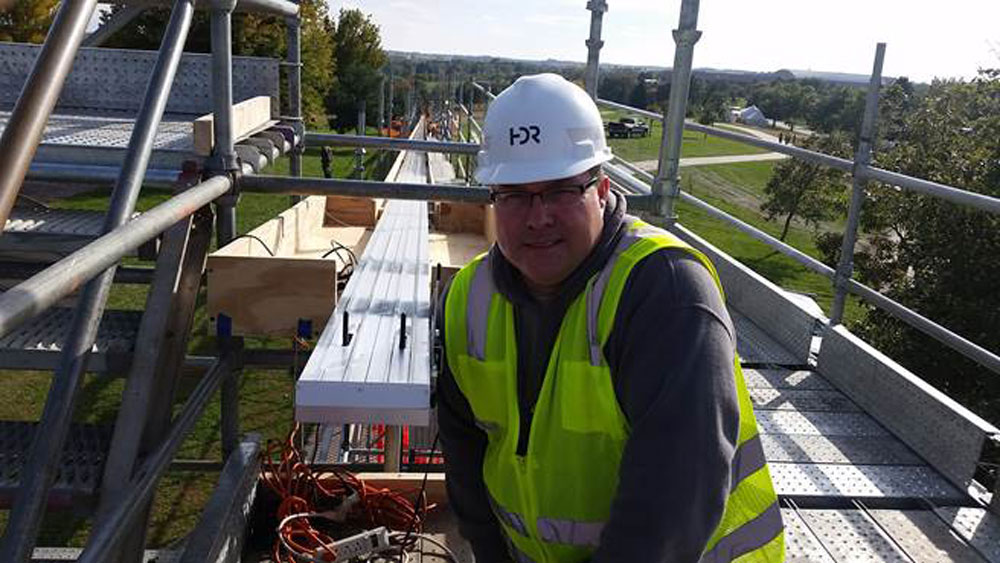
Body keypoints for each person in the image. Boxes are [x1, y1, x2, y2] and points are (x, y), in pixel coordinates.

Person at [436, 73, 784, 563]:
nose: (538, 218)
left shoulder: (664, 292)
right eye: (515, 195)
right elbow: (465, 452)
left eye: (560, 191)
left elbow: (671, 509)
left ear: (601, 188)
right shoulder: (469, 298)